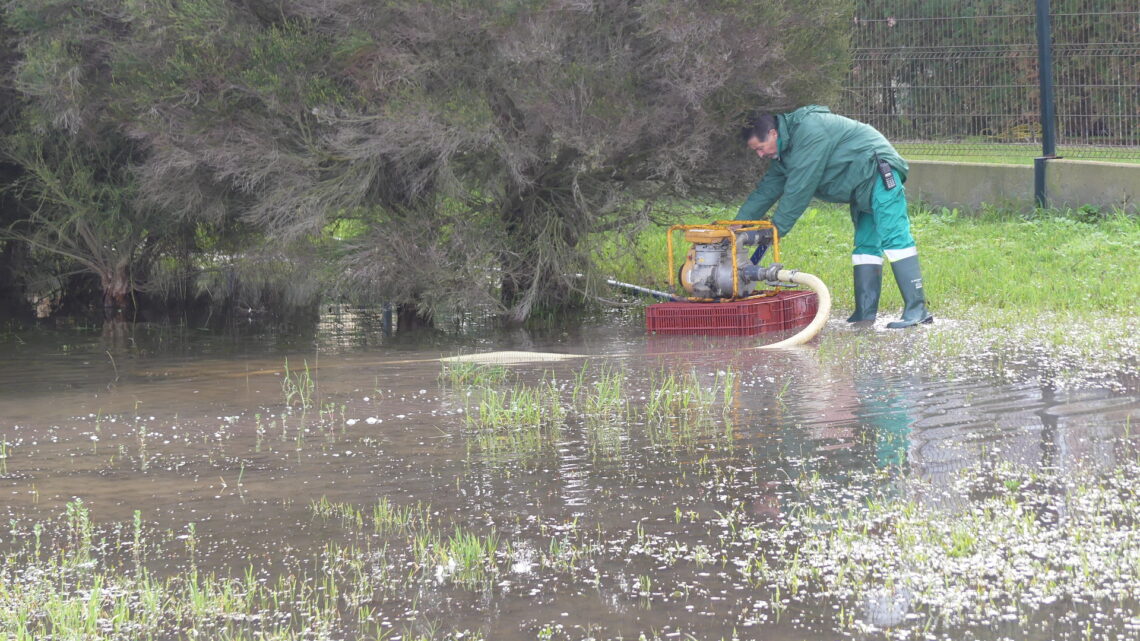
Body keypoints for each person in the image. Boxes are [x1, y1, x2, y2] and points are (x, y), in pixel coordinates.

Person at [735, 105, 933, 328]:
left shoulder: (809, 131)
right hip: (858, 186)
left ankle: (918, 311)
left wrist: (775, 231)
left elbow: (799, 189)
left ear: (773, 133)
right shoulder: (785, 153)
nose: (761, 155)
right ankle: (864, 314)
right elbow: (766, 191)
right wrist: (734, 228)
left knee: (894, 237)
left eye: (760, 148)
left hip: (877, 172)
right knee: (865, 246)